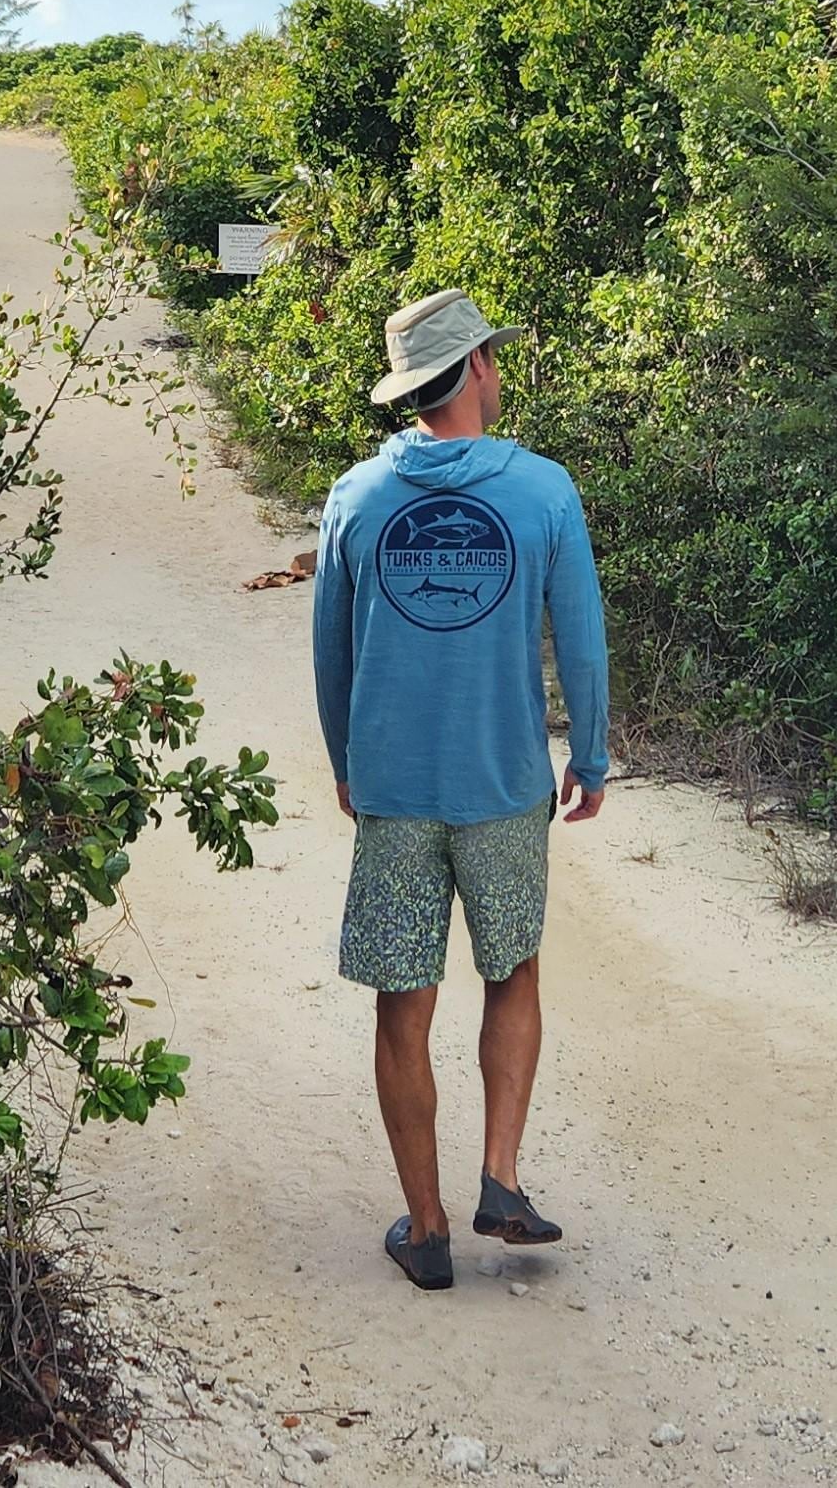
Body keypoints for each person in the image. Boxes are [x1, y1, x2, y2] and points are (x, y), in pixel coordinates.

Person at [311, 287, 610, 1292]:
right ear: (478, 367)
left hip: (395, 786)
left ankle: (427, 1226)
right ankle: (500, 1175)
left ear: (411, 387)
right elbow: (579, 636)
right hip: (503, 782)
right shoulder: (542, 491)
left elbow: (330, 651)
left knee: (403, 999)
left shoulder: (356, 495)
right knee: (510, 966)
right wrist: (593, 754)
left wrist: (344, 760)